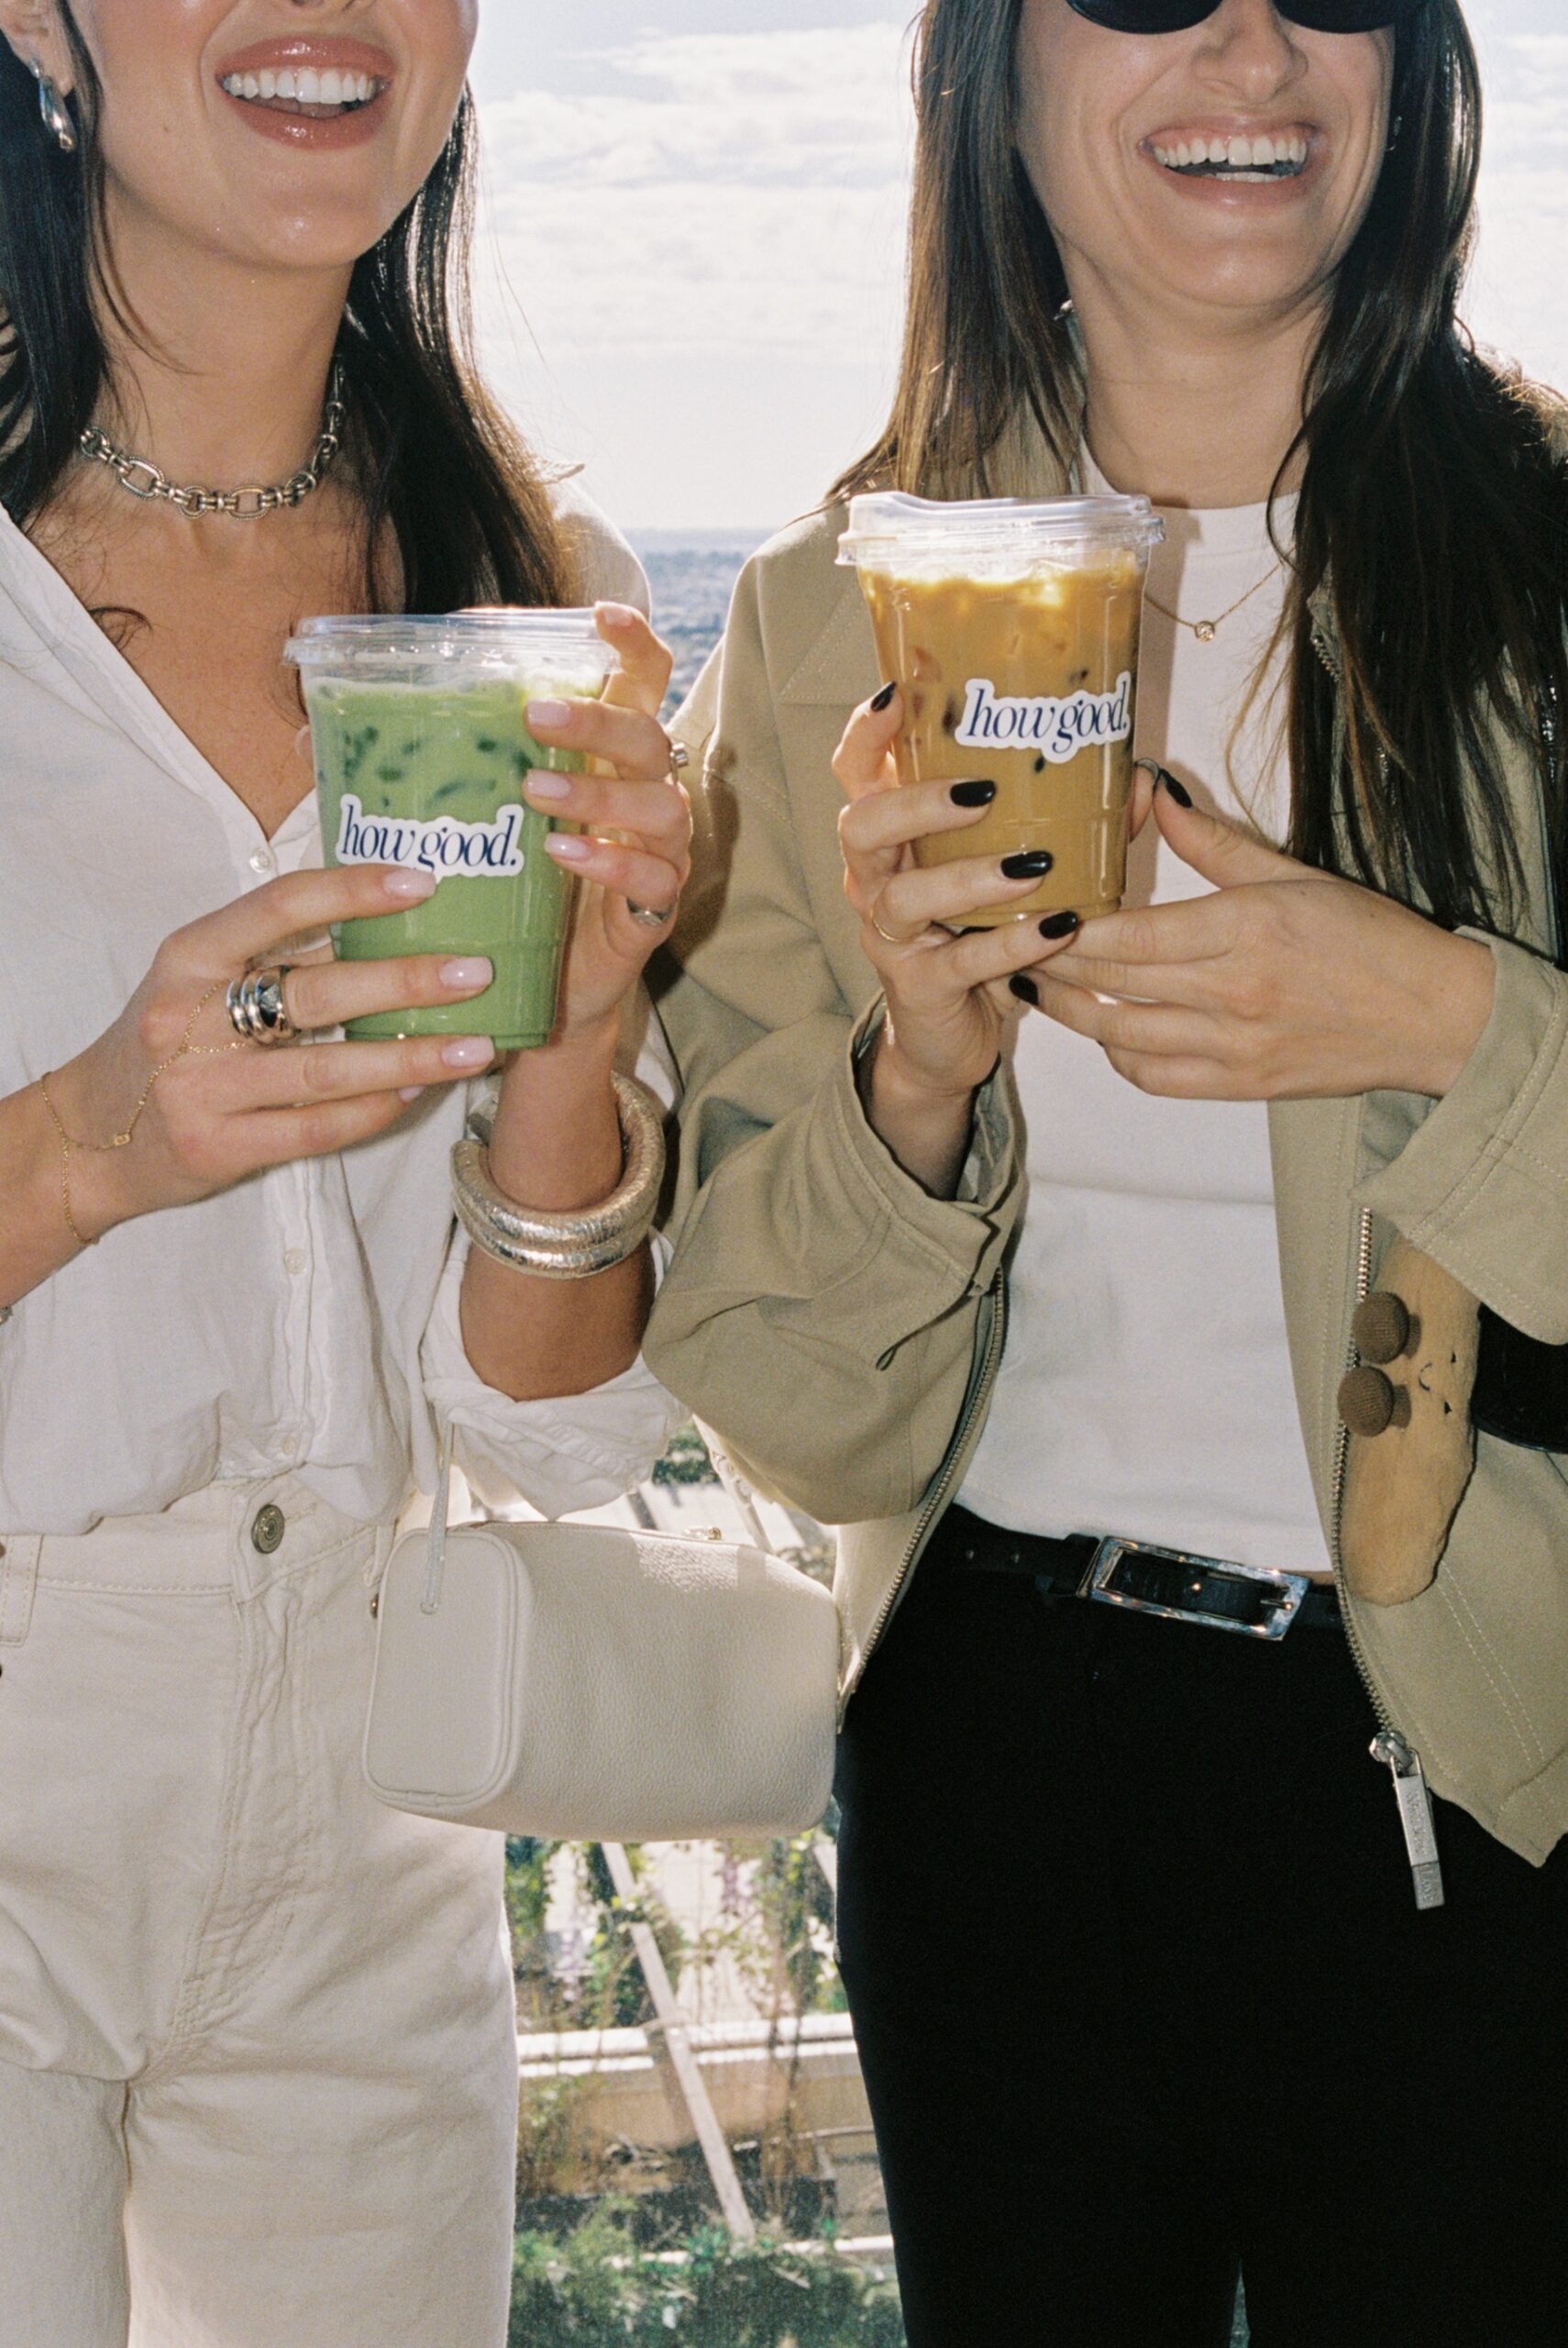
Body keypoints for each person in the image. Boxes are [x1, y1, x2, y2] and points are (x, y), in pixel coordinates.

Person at [647, 2, 1568, 2342]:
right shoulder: (818, 628)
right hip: (989, 1779)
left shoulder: (1542, 581)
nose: (1251, 38)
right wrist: (915, 1080)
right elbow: (790, 1393)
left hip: (1485, 1760)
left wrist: (1445, 1024)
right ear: (995, 72)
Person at [0, 6, 690, 2344]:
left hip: (376, 1802)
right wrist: (92, 1142)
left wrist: (579, 1037)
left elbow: (537, 1417)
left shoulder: (531, 594)